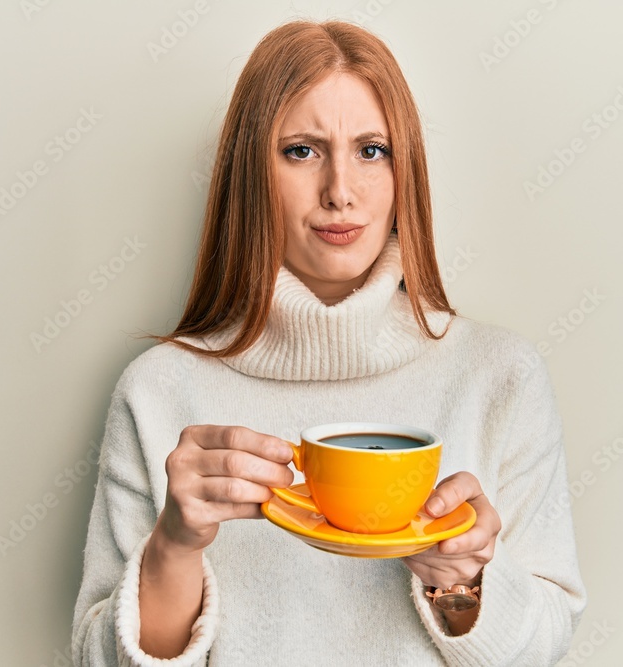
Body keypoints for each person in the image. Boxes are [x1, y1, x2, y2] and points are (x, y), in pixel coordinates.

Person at [71, 18, 585, 666]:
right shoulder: (156, 390)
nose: (340, 192)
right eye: (301, 151)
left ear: (405, 171)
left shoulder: (501, 375)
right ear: (250, 173)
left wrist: (462, 582)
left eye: (371, 150)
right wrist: (174, 545)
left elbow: (545, 647)